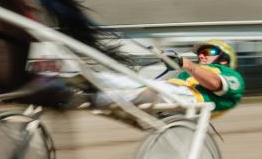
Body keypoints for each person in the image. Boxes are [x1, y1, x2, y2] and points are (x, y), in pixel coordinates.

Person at [91, 39, 244, 114]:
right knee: (123, 80)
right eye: (200, 53)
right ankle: (87, 80)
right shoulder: (190, 72)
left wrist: (186, 64)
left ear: (225, 60)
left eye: (209, 52)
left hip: (189, 97)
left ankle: (96, 96)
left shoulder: (232, 75)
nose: (202, 56)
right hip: (171, 92)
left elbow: (215, 83)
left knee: (144, 91)